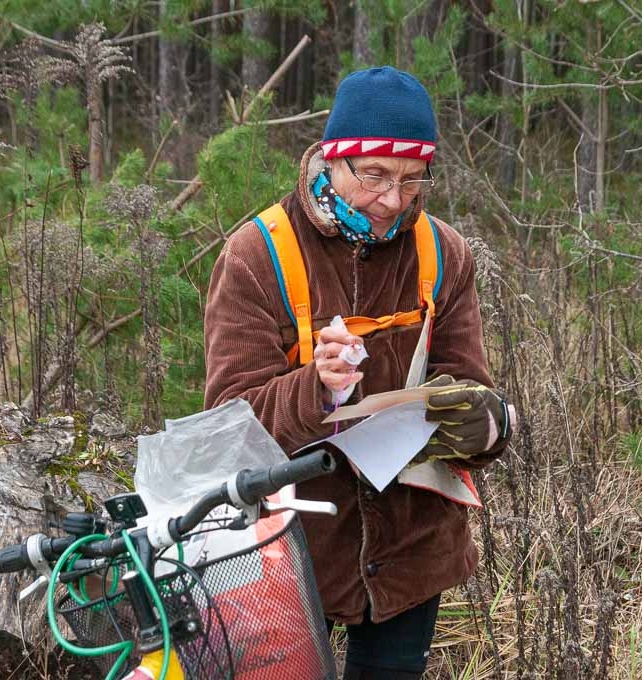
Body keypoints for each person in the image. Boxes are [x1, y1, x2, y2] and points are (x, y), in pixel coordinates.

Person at [204, 66, 512, 679]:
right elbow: (228, 427)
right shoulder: (257, 255)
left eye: (410, 179)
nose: (392, 200)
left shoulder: (443, 252)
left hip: (411, 549)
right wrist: (313, 387)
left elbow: (468, 384)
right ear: (331, 160)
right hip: (286, 552)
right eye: (372, 175)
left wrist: (485, 425)